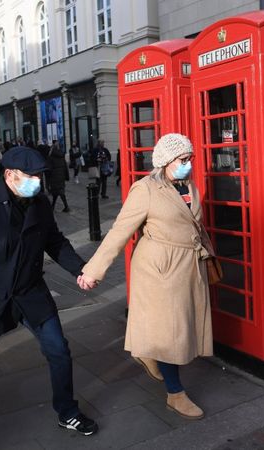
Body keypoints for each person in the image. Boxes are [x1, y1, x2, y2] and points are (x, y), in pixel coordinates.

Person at [0, 146, 98, 436]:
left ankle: (67, 412)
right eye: (31, 176)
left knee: (59, 351)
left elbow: (55, 242)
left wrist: (81, 270)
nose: (38, 182)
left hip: (31, 294)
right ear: (9, 175)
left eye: (40, 177)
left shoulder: (39, 204)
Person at [78, 133, 213, 420]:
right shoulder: (145, 190)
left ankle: (147, 351)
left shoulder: (188, 185)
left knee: (181, 328)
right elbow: (120, 231)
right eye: (183, 159)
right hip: (159, 269)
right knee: (171, 332)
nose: (188, 164)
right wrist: (93, 271)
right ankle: (175, 394)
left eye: (190, 159)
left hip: (188, 264)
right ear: (165, 161)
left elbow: (195, 226)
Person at [46, 141, 70, 212]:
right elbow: (65, 166)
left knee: (59, 191)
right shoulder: (61, 155)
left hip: (54, 176)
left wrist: (48, 177)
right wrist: (66, 176)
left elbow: (49, 169)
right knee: (57, 191)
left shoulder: (51, 157)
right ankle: (53, 206)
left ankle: (66, 206)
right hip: (61, 175)